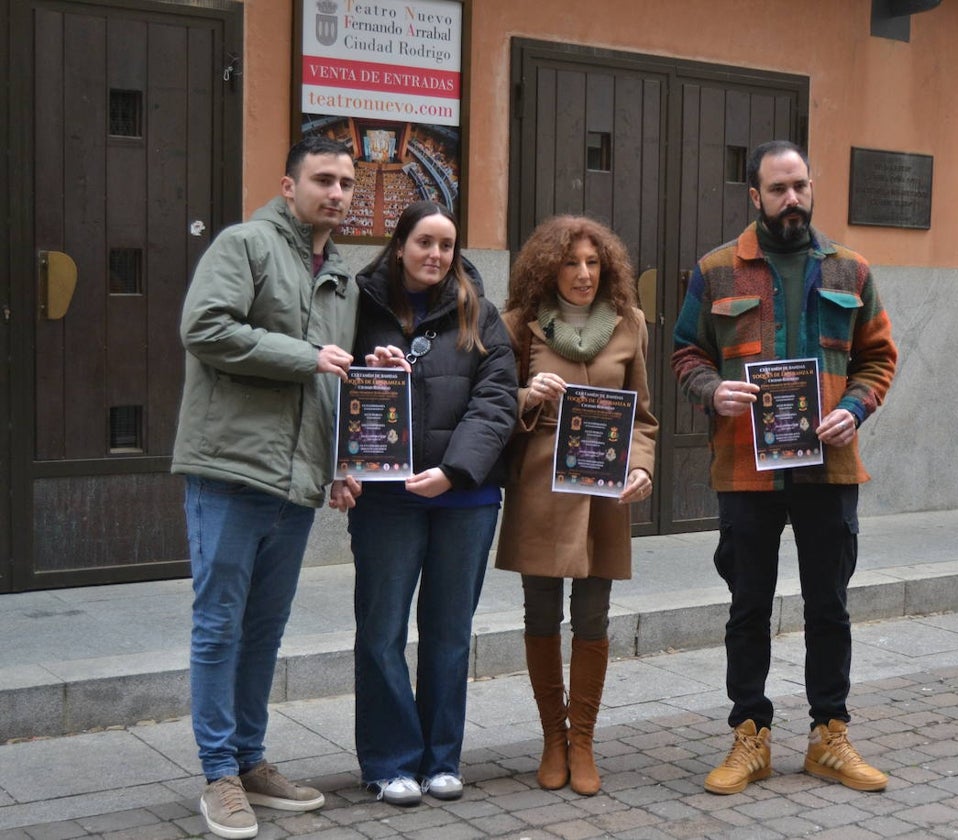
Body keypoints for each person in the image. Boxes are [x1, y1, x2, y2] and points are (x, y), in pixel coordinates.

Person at [672, 140, 898, 795]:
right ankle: (750, 735)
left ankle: (830, 734)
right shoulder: (717, 270)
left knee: (830, 607)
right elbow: (688, 353)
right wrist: (712, 390)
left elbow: (877, 357)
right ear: (756, 196)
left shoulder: (850, 269)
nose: (792, 199)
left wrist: (854, 408)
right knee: (748, 609)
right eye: (778, 189)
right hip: (747, 470)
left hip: (829, 470)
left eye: (800, 185)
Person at [172, 135, 358, 839]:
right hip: (229, 469)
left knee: (264, 631)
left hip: (297, 478)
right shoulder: (244, 245)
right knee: (220, 627)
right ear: (289, 185)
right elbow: (206, 328)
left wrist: (340, 464)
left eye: (345, 183)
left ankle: (251, 761)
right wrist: (306, 356)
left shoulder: (339, 271)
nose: (335, 193)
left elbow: (333, 384)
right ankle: (218, 774)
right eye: (322, 180)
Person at [328, 201, 517, 807]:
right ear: (400, 244)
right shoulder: (359, 309)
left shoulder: (481, 315)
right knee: (381, 631)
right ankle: (389, 762)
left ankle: (441, 759)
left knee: (448, 632)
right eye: (424, 242)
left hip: (464, 497)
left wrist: (454, 471)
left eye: (447, 245)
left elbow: (497, 401)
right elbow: (334, 384)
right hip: (384, 499)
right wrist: (367, 366)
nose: (436, 255)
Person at [496, 215, 658, 796]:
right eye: (571, 263)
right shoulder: (518, 326)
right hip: (541, 493)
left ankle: (583, 738)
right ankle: (551, 739)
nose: (583, 274)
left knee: (593, 617)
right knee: (540, 614)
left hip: (605, 495)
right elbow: (490, 403)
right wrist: (524, 396)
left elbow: (642, 416)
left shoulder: (629, 324)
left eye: (593, 263)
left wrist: (641, 464)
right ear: (549, 268)